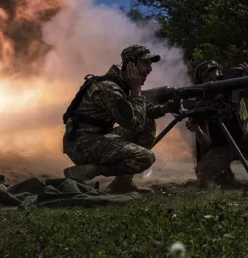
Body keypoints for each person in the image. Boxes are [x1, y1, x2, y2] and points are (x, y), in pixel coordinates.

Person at [62, 45, 175, 194]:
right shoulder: (109, 89)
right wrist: (136, 91)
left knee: (147, 122)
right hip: (81, 144)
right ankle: (92, 170)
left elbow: (139, 113)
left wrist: (163, 109)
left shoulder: (121, 85)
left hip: (96, 137)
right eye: (146, 63)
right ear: (131, 65)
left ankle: (122, 184)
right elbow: (134, 123)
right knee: (145, 157)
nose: (150, 69)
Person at [185, 60, 248, 190]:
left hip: (245, 140)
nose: (215, 78)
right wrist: (198, 130)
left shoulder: (235, 90)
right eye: (209, 77)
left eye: (216, 75)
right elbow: (206, 142)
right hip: (222, 147)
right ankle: (225, 174)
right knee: (203, 178)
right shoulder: (200, 104)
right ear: (201, 81)